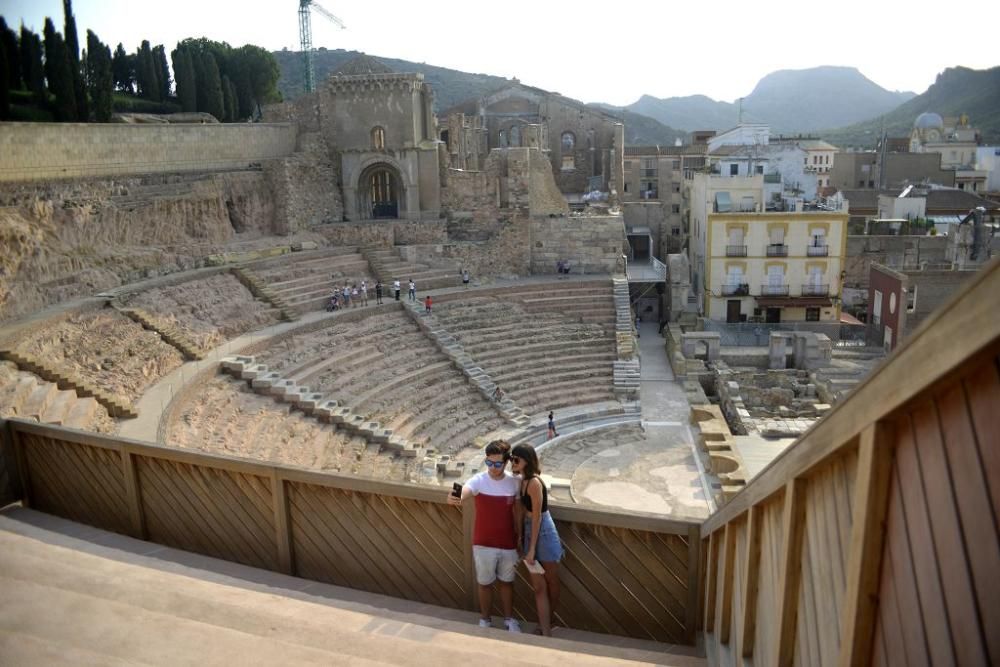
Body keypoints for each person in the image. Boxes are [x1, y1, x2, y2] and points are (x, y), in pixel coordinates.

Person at [447, 440, 521, 633]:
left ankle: (509, 619)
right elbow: (464, 490)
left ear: (505, 462)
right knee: (485, 583)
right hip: (484, 543)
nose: (493, 468)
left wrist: (520, 537)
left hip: (508, 543)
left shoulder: (514, 482)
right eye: (489, 463)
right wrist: (455, 495)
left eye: (497, 464)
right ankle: (485, 620)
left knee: (507, 583)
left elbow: (519, 513)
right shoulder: (479, 480)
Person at [511, 444, 563, 637]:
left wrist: (531, 548)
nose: (513, 463)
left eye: (516, 459)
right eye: (512, 459)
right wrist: (520, 537)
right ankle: (546, 627)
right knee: (539, 585)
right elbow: (523, 512)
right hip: (529, 530)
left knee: (551, 580)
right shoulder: (521, 481)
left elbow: (537, 517)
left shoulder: (533, 482)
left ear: (527, 461)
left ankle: (549, 622)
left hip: (544, 532)